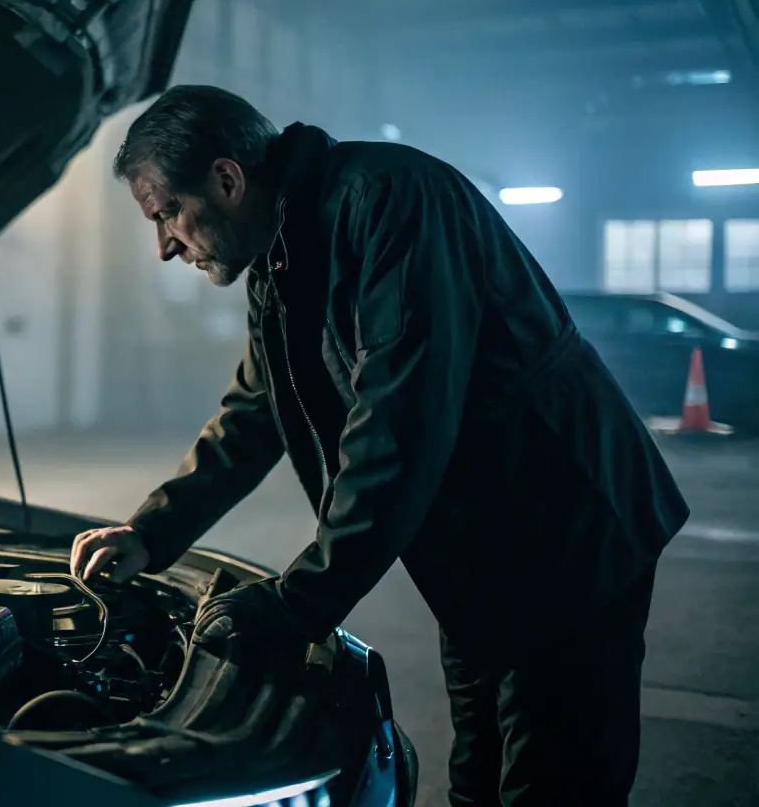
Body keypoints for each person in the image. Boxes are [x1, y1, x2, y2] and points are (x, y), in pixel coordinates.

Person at [70, 85, 689, 806]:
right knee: (477, 783)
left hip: (566, 537)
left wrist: (297, 604)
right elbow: (254, 411)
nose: (164, 245)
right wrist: (150, 532)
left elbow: (401, 422)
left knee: (553, 787)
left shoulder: (393, 201)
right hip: (480, 554)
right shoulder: (281, 249)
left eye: (167, 213)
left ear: (227, 180)